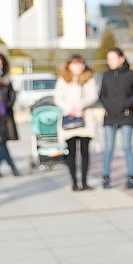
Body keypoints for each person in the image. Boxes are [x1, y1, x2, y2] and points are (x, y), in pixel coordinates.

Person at [99, 48, 133, 189]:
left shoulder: (131, 74)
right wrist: (109, 106)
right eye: (108, 59)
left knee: (126, 147)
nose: (110, 62)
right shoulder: (106, 76)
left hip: (126, 116)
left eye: (112, 58)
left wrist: (126, 104)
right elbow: (102, 95)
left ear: (121, 59)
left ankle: (130, 176)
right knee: (108, 148)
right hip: (110, 116)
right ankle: (105, 176)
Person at [55, 55, 99, 191]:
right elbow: (58, 98)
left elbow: (93, 96)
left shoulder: (89, 78)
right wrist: (70, 109)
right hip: (70, 119)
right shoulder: (63, 79)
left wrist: (80, 106)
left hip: (85, 119)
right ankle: (74, 182)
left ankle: (84, 182)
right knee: (72, 152)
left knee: (85, 151)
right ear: (69, 65)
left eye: (80, 63)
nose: (78, 67)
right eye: (75, 64)